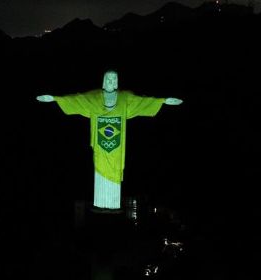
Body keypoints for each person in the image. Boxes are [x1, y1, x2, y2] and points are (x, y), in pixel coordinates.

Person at [37, 70, 183, 210]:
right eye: (108, 78)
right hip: (101, 148)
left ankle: (113, 205)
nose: (110, 81)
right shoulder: (94, 98)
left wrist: (163, 101)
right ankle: (100, 204)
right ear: (103, 81)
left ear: (117, 82)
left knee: (114, 171)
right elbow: (77, 99)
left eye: (114, 79)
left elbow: (142, 101)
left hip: (116, 149)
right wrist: (55, 99)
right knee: (99, 171)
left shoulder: (125, 98)